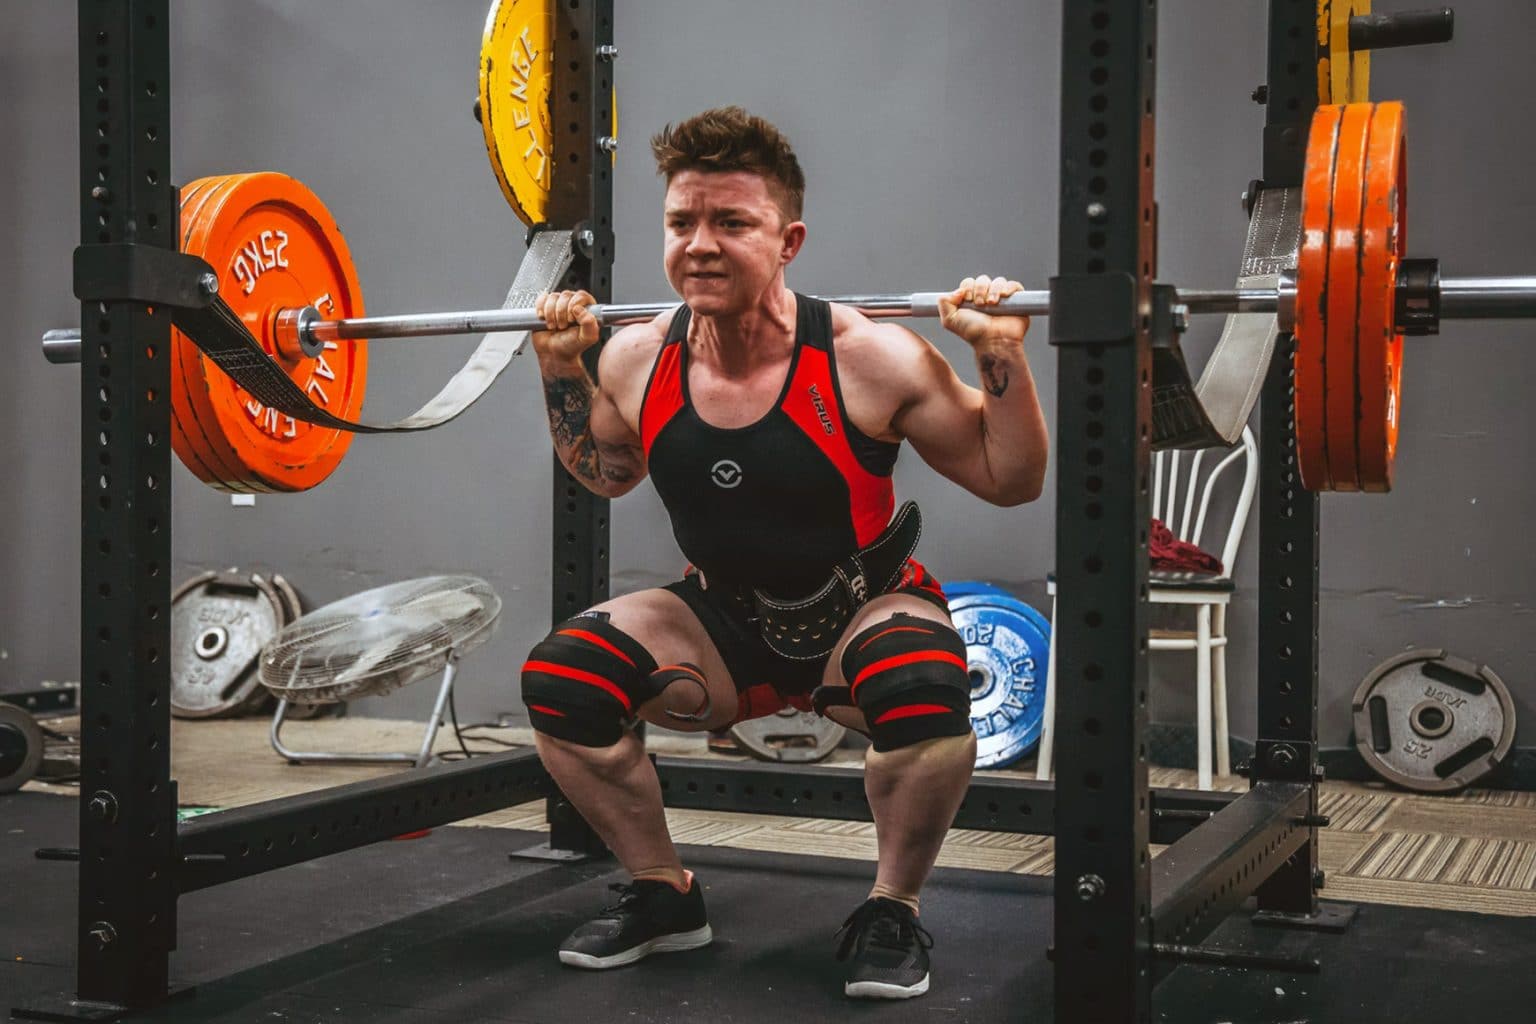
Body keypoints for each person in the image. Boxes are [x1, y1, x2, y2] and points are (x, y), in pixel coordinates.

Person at [523, 105, 1048, 1000]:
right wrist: (558, 370)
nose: (700, 245)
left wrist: (1000, 358)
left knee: (921, 681)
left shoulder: (870, 356)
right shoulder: (637, 357)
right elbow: (607, 475)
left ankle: (894, 907)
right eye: (682, 222)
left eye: (732, 222)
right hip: (723, 621)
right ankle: (664, 892)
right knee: (564, 679)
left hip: (863, 607)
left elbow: (1011, 479)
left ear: (788, 240)